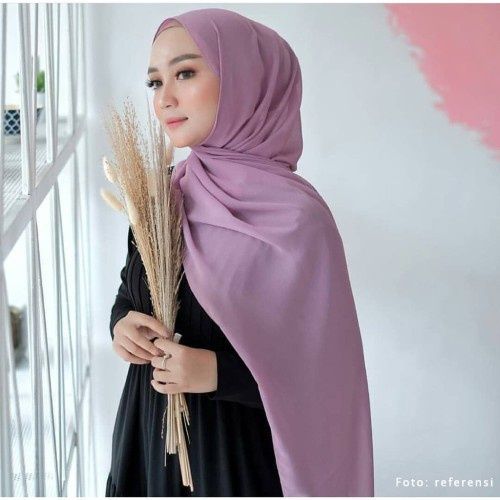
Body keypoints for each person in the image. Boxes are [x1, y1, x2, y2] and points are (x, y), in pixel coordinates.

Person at [106, 7, 374, 497]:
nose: (165, 98)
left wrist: (217, 372)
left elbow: (325, 380)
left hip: (236, 461)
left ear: (247, 82)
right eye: (154, 82)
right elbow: (130, 292)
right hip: (148, 444)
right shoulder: (162, 195)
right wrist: (123, 325)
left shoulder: (298, 222)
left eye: (186, 73)